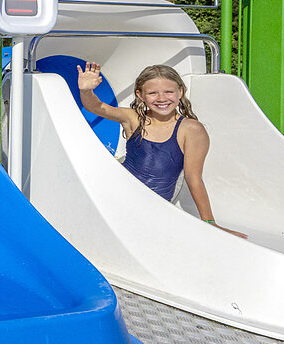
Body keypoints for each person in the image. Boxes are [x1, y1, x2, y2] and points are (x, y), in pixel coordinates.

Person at [76, 61, 246, 239]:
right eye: (152, 93)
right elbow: (96, 107)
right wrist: (86, 91)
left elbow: (193, 178)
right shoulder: (134, 119)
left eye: (169, 92)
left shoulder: (191, 130)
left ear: (181, 92)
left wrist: (209, 222)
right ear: (140, 95)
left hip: (152, 208)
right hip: (117, 194)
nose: (161, 98)